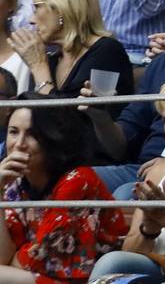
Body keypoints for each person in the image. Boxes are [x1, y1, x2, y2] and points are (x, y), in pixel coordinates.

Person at [0, 104, 128, 282]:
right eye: (13, 132)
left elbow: (35, 258)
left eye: (32, 134)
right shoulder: (13, 183)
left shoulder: (79, 180)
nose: (19, 144)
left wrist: (8, 265)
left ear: (52, 138)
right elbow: (3, 256)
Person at [12, 0, 131, 99]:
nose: (31, 20)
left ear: (60, 9)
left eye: (37, 7)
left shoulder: (108, 51)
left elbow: (69, 117)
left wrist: (38, 67)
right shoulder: (53, 60)